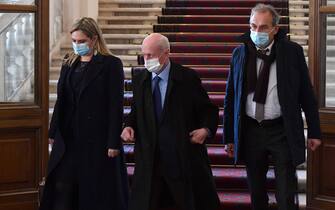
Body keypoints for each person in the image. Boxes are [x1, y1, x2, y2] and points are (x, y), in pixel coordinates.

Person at [223, 4, 322, 210]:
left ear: (275, 29)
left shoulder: (292, 52)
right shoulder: (239, 54)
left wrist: (314, 130)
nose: (257, 32)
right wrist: (229, 137)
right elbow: (230, 97)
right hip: (251, 130)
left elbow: (306, 93)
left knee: (286, 193)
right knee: (257, 192)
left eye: (263, 27)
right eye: (253, 26)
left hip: (281, 130)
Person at [121, 33, 220, 210]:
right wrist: (128, 126)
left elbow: (208, 110)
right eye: (143, 54)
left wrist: (205, 129)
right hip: (150, 160)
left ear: (166, 54)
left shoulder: (187, 78)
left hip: (181, 158)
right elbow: (136, 112)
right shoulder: (140, 80)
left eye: (150, 55)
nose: (146, 59)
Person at [40, 17, 128, 210]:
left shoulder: (111, 64)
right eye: (74, 41)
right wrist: (53, 132)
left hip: (97, 139)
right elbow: (61, 99)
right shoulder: (68, 62)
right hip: (68, 137)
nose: (77, 45)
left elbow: (116, 105)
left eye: (81, 41)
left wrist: (113, 142)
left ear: (94, 39)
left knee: (93, 190)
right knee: (63, 184)